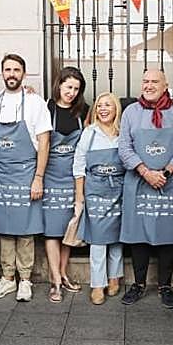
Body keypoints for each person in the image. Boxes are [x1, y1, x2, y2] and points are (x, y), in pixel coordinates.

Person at [119, 68, 173, 308]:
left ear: (165, 85)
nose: (149, 85)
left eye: (154, 81)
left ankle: (165, 285)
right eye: (145, 81)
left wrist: (165, 172)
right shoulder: (131, 112)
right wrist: (145, 172)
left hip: (170, 183)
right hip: (139, 182)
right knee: (138, 234)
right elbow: (124, 147)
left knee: (168, 234)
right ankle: (139, 284)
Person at [0, 53, 51, 302]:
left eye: (16, 70)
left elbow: (44, 144)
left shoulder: (36, 103)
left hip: (26, 173)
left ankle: (25, 280)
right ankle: (7, 279)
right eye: (7, 69)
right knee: (4, 229)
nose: (11, 74)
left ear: (23, 74)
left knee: (25, 230)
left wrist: (38, 177)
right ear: (2, 73)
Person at [74, 91, 125, 305]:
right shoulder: (89, 133)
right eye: (100, 105)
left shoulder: (123, 133)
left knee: (116, 238)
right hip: (95, 191)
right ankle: (97, 284)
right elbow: (79, 165)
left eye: (108, 105)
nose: (103, 109)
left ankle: (114, 277)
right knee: (97, 239)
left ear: (116, 109)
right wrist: (80, 197)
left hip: (119, 190)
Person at [43, 67, 88, 302]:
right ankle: (56, 280)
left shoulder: (83, 111)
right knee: (52, 231)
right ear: (59, 85)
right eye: (68, 86)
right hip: (50, 177)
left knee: (68, 228)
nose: (71, 92)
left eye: (76, 89)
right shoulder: (45, 108)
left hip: (74, 179)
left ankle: (62, 273)